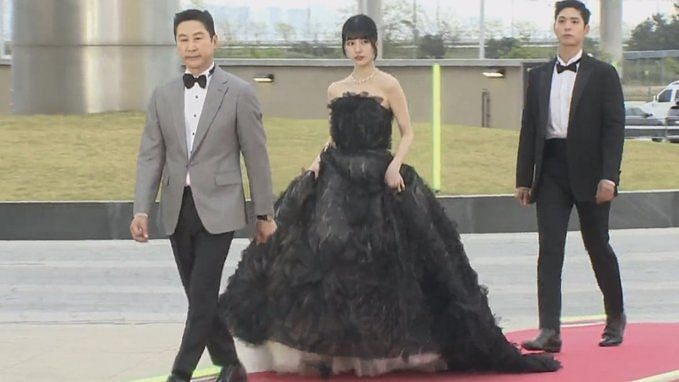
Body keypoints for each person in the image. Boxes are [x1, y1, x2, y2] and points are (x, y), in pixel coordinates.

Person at [219, 14, 559, 378]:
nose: (357, 49)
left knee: (391, 261)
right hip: (337, 177)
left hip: (380, 175)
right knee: (324, 251)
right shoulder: (335, 88)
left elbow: (408, 132)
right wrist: (317, 161)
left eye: (363, 41)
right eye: (351, 43)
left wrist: (395, 165)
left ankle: (385, 350)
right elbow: (335, 136)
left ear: (375, 44)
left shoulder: (389, 84)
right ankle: (327, 351)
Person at [130, 9, 275, 382]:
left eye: (198, 37)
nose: (191, 46)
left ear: (214, 40)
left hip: (222, 209)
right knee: (201, 299)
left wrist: (264, 214)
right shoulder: (162, 96)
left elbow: (256, 157)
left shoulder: (239, 93)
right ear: (176, 44)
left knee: (202, 294)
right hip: (178, 209)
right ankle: (232, 366)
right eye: (183, 39)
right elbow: (151, 157)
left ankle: (180, 372)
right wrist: (141, 210)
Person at [515, 0, 626, 353]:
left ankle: (616, 317)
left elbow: (614, 129)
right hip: (550, 171)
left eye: (574, 21)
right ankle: (549, 330)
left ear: (585, 29)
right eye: (562, 20)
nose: (567, 26)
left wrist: (609, 177)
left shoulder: (603, 74)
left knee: (598, 246)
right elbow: (529, 128)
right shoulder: (539, 76)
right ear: (554, 27)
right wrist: (524, 177)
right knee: (549, 250)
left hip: (592, 174)